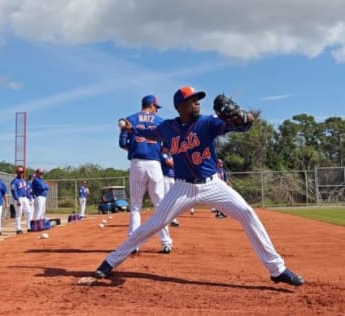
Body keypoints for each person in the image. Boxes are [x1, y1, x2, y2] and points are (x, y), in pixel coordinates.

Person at [94, 86, 304, 286]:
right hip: (182, 188)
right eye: (192, 100)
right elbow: (147, 132)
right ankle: (110, 262)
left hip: (213, 185)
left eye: (197, 100)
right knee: (153, 224)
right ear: (180, 106)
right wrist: (130, 127)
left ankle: (277, 270)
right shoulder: (168, 128)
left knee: (247, 214)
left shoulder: (208, 122)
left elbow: (245, 124)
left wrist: (243, 116)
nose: (197, 103)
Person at [118, 95, 172, 253]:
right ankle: (166, 242)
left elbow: (122, 143)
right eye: (156, 106)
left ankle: (133, 243)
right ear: (151, 105)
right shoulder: (160, 121)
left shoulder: (130, 119)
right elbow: (167, 145)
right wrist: (159, 149)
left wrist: (134, 147)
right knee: (160, 205)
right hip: (155, 163)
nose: (156, 109)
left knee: (135, 206)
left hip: (137, 163)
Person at [160, 150, 190, 227]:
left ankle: (172, 219)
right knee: (166, 199)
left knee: (174, 198)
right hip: (165, 178)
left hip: (172, 178)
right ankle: (164, 219)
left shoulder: (171, 155)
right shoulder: (162, 154)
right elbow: (171, 164)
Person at [10, 166, 33, 233]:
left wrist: (29, 197)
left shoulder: (23, 180)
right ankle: (18, 229)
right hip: (19, 198)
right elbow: (14, 191)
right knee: (19, 214)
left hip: (25, 198)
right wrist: (17, 199)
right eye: (20, 172)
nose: (21, 173)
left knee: (29, 212)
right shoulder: (14, 181)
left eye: (22, 172)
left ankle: (29, 227)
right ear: (17, 172)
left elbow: (26, 190)